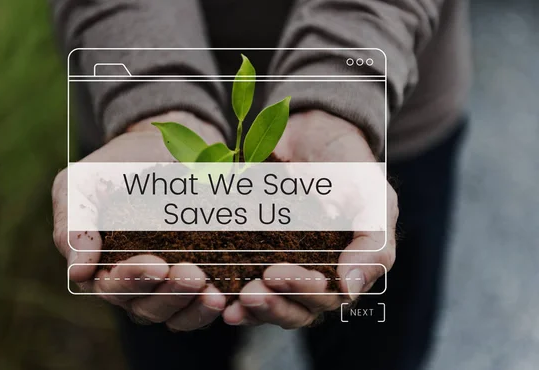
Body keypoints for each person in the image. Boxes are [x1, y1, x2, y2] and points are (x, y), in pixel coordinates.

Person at [49, 1, 470, 369]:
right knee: (168, 340)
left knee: (377, 350)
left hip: (381, 108)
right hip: (130, 107)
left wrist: (339, 85)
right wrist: (150, 89)